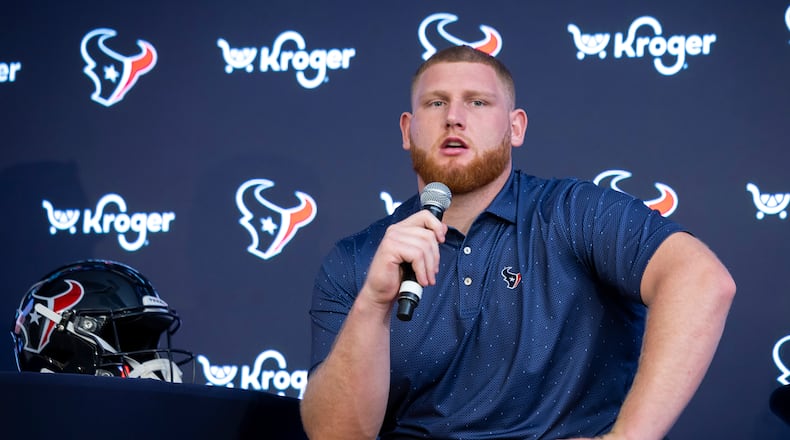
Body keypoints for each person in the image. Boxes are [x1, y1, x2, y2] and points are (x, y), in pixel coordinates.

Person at [300, 45, 736, 440]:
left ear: (516, 127)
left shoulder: (575, 213)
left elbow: (701, 280)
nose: (454, 117)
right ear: (407, 130)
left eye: (477, 102)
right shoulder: (357, 260)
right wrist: (374, 303)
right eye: (436, 103)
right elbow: (334, 435)